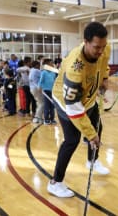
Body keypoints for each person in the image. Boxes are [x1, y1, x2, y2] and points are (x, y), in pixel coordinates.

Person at [47, 22, 110, 198]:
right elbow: (74, 109)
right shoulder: (75, 67)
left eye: (103, 46)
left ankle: (92, 161)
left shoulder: (104, 47)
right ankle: (55, 182)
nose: (101, 51)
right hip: (66, 102)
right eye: (97, 47)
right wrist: (90, 135)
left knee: (98, 128)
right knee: (72, 140)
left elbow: (104, 63)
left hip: (88, 98)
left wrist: (104, 77)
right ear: (85, 42)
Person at [38, 58, 57, 125]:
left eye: (52, 63)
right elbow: (40, 81)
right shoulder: (44, 72)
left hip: (52, 91)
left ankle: (52, 119)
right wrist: (39, 88)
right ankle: (46, 119)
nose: (52, 64)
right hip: (46, 91)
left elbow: (54, 81)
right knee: (47, 105)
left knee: (52, 106)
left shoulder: (53, 73)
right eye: (51, 63)